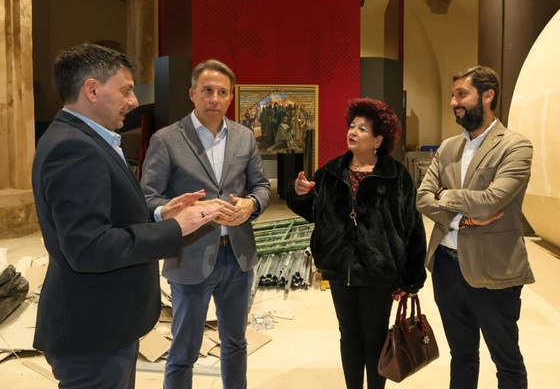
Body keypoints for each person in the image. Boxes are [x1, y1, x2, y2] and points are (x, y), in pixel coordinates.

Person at [32, 43, 221, 389]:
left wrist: (161, 210)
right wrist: (174, 228)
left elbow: (107, 214)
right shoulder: (74, 148)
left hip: (106, 325)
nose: (134, 102)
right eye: (126, 90)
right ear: (92, 89)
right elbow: (89, 247)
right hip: (95, 331)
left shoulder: (83, 139)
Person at [141, 59, 270, 389]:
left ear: (231, 97)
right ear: (192, 94)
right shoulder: (167, 139)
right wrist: (177, 211)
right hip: (190, 257)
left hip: (238, 258)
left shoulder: (243, 137)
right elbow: (147, 198)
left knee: (235, 344)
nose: (214, 98)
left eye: (222, 92)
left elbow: (262, 186)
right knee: (184, 350)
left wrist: (251, 204)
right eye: (207, 91)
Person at [286, 98, 427, 389]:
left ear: (378, 140)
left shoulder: (396, 176)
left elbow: (413, 227)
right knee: (349, 336)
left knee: (375, 337)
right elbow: (311, 210)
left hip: (379, 272)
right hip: (340, 270)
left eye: (362, 128)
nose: (353, 131)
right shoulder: (331, 171)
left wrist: (412, 277)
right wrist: (299, 192)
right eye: (352, 126)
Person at [416, 65, 534, 389]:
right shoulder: (447, 147)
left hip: (494, 270)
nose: (455, 102)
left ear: (488, 95)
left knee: (506, 360)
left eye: (462, 94)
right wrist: (463, 218)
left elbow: (491, 200)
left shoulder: (515, 146)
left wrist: (446, 196)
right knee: (462, 356)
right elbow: (422, 199)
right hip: (446, 269)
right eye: (453, 95)